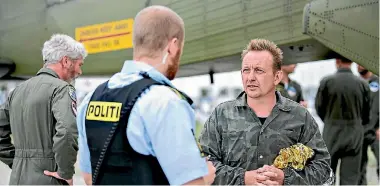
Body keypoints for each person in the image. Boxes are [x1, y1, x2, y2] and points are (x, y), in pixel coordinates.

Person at [76, 5, 215, 185]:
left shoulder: (91, 99)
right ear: (172, 47)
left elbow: (89, 177)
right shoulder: (165, 102)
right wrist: (208, 177)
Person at [199, 38, 334, 185]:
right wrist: (243, 179)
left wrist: (285, 178)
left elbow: (323, 168)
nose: (250, 77)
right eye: (246, 70)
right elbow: (202, 165)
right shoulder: (221, 115)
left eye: (259, 71)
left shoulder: (300, 116)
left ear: (277, 77)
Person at [0, 34, 86, 185]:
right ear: (66, 61)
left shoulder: (17, 91)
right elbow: (67, 131)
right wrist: (65, 173)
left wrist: (17, 161)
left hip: (17, 179)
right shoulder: (62, 90)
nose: (80, 72)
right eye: (79, 64)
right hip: (48, 178)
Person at [315, 54, 371, 185]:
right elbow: (367, 114)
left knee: (327, 178)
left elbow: (319, 108)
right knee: (350, 179)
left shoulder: (326, 82)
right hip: (354, 135)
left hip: (331, 132)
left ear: (337, 61)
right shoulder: (362, 84)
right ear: (351, 62)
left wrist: (329, 121)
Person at [357, 65, 379, 185]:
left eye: (361, 63)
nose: (359, 66)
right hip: (360, 133)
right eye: (356, 64)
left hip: (377, 132)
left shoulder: (377, 81)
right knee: (359, 170)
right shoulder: (356, 83)